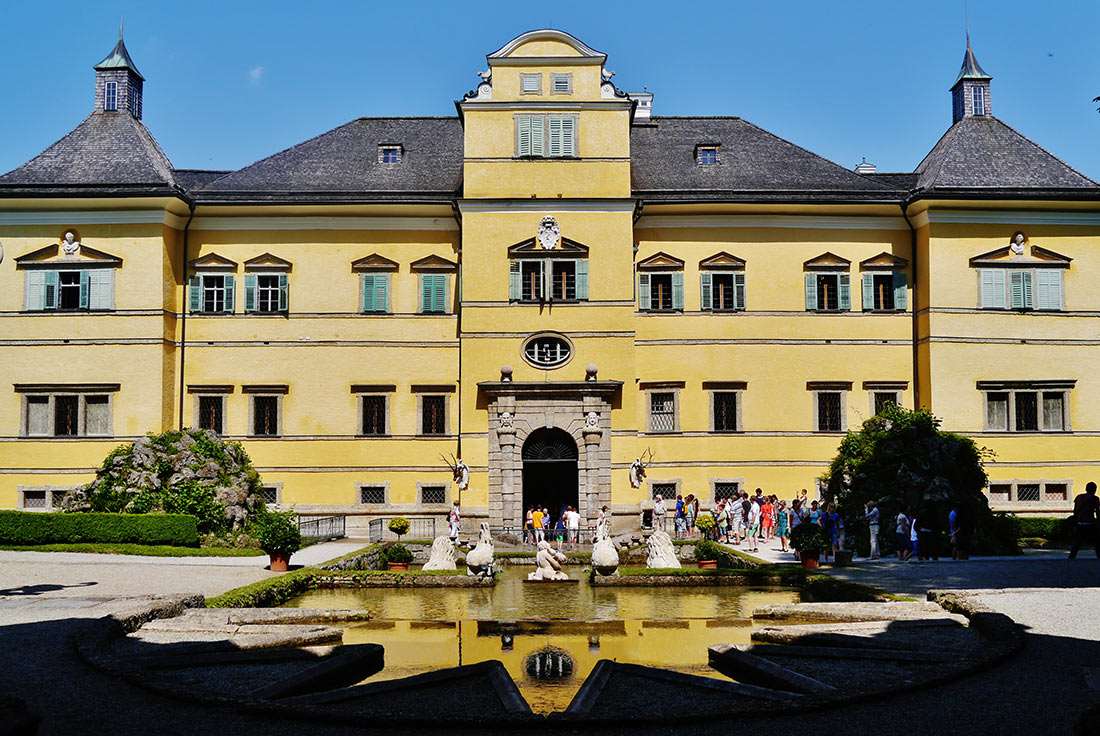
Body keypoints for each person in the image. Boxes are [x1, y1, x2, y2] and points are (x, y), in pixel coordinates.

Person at [1069, 481, 1100, 559]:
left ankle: (1071, 558)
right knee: (1096, 542)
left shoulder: (1078, 497)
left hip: (1080, 523)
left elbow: (1075, 510)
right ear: (1094, 490)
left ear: (1086, 489)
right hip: (1090, 523)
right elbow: (1097, 512)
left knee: (1077, 543)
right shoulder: (1095, 499)